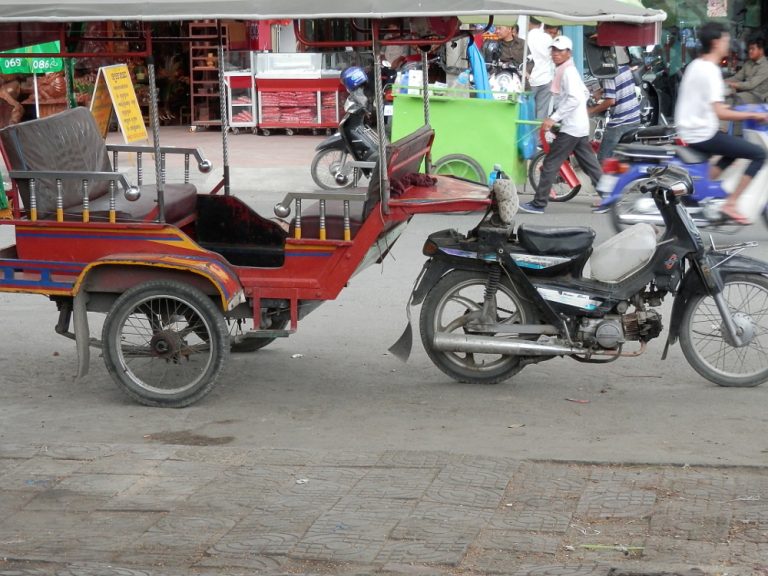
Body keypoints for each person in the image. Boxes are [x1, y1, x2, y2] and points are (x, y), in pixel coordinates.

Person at [675, 22, 768, 224]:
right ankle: (731, 203)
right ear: (716, 42)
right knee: (758, 154)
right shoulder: (710, 70)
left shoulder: (696, 65)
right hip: (701, 133)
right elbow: (720, 112)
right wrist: (752, 116)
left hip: (691, 129)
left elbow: (715, 107)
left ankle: (700, 189)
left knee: (732, 153)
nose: (729, 44)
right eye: (726, 40)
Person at [520, 36, 603, 215]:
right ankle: (610, 198)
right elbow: (584, 93)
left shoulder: (568, 72)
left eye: (560, 51)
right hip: (577, 126)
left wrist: (554, 118)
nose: (556, 54)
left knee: (550, 163)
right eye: (554, 50)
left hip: (572, 128)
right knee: (590, 165)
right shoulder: (565, 70)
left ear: (569, 53)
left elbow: (575, 97)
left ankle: (539, 203)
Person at [588, 62, 642, 162]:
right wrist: (601, 91)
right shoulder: (624, 67)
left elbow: (610, 101)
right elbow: (618, 86)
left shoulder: (608, 72)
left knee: (602, 161)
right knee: (621, 160)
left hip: (620, 124)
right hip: (634, 118)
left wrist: (591, 111)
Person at [726, 35, 768, 104]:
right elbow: (737, 77)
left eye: (752, 49)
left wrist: (732, 84)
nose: (750, 51)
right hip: (746, 93)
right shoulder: (748, 63)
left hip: (757, 97)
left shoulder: (765, 66)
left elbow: (750, 84)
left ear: (761, 50)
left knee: (730, 101)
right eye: (749, 49)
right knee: (722, 94)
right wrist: (722, 82)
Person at [526, 17, 554, 119]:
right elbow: (552, 57)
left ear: (528, 22)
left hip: (530, 80)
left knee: (528, 113)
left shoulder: (525, 37)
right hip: (546, 79)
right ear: (541, 23)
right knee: (542, 113)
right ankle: (539, 134)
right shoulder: (547, 38)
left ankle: (527, 134)